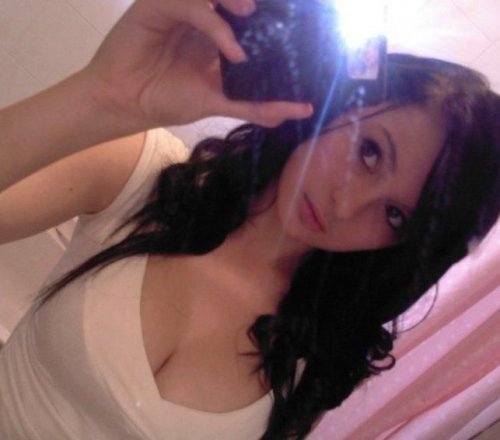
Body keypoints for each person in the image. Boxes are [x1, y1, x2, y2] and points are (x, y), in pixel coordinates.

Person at [0, 0, 498, 439]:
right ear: (343, 104)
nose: (346, 206)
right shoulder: (142, 177)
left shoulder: (313, 359)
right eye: (370, 152)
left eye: (394, 215)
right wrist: (104, 96)